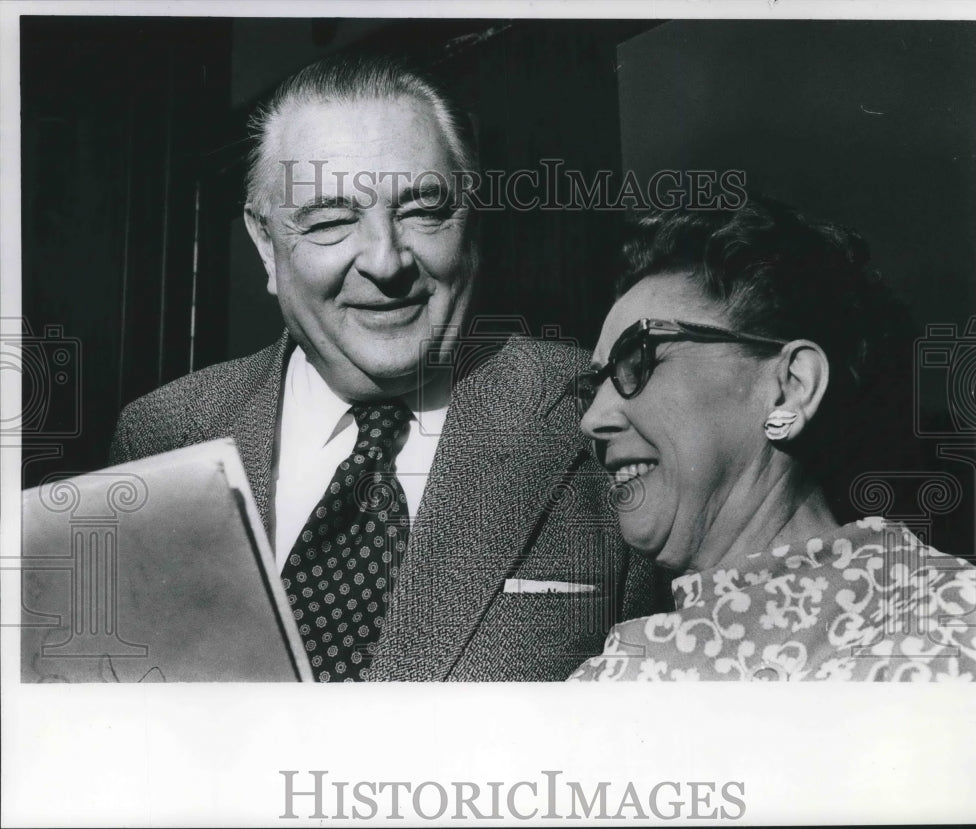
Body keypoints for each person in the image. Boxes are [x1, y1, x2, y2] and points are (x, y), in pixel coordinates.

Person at [109, 52, 658, 682]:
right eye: (332, 221)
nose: (385, 261)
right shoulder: (162, 438)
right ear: (265, 243)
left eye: (423, 211)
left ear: (472, 220)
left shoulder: (592, 412)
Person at [568, 197, 976, 681]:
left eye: (637, 361)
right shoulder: (605, 684)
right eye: (592, 388)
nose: (592, 420)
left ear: (790, 389)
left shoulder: (968, 627)